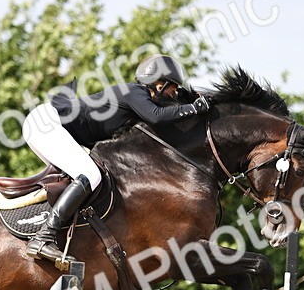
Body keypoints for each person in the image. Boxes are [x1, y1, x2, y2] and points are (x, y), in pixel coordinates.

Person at [22, 54, 211, 264]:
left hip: (54, 128)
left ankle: (64, 235)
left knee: (92, 179)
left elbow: (165, 118)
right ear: (159, 84)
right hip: (47, 124)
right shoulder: (134, 92)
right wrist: (195, 108)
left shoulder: (140, 101)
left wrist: (195, 99)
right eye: (173, 88)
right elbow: (157, 116)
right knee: (90, 175)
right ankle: (43, 237)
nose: (174, 93)